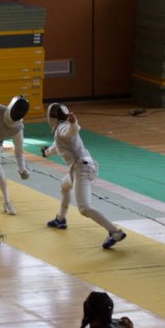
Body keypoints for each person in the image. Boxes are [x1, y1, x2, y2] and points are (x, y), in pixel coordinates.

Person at [42, 103, 127, 249]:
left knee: (84, 208)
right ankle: (61, 219)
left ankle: (115, 232)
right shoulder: (59, 132)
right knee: (64, 185)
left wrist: (74, 123)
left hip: (81, 169)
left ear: (52, 118)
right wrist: (46, 153)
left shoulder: (63, 128)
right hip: (79, 168)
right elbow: (57, 147)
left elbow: (71, 131)